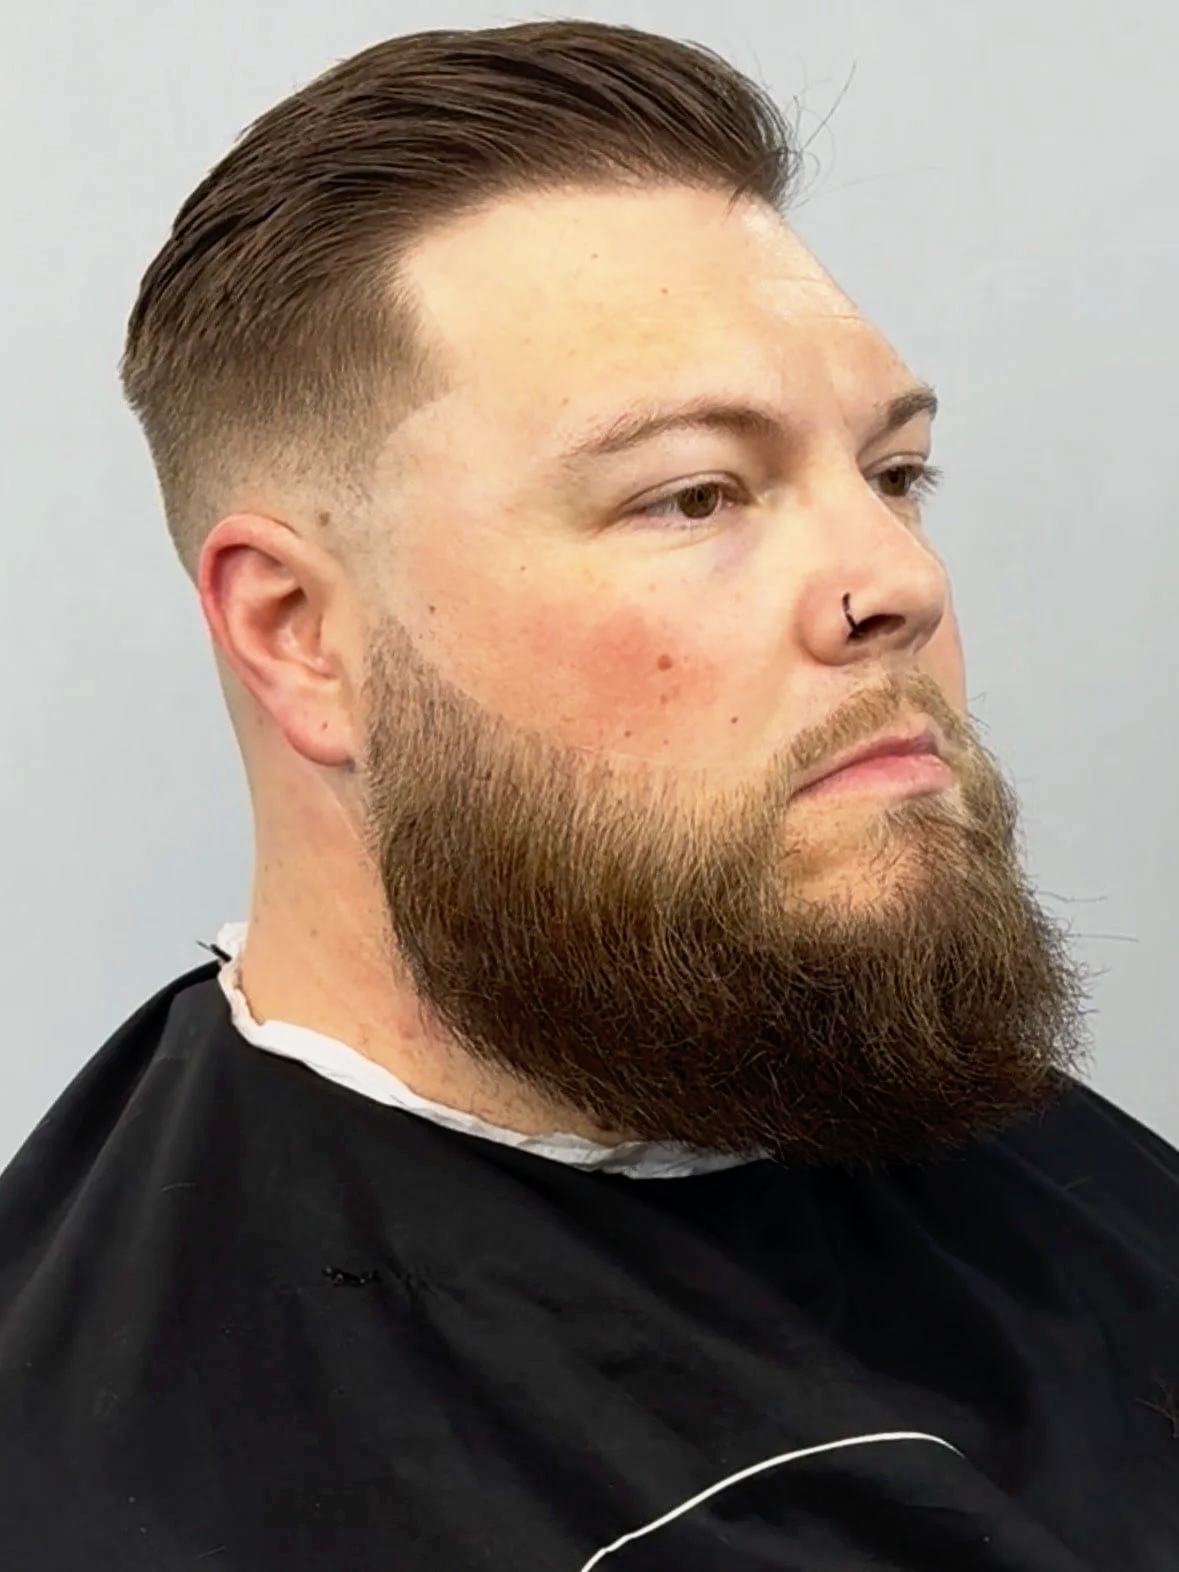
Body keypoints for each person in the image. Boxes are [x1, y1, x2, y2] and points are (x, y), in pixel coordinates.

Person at [0, 18, 1175, 1570]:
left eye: (893, 476)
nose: (896, 580)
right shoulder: (133, 1483)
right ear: (305, 636)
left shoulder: (954, 1122)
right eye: (692, 492)